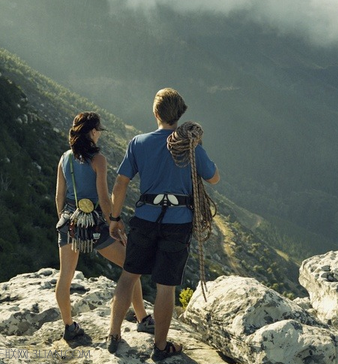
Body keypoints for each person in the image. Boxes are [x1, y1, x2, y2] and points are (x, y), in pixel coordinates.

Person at [106, 88, 219, 360]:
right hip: (177, 222)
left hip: (145, 218)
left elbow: (121, 183)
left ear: (155, 113)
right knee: (166, 285)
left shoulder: (138, 143)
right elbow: (213, 178)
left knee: (129, 275)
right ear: (179, 114)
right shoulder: (189, 146)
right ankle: (160, 347)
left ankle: (113, 335)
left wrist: (114, 217)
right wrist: (198, 146)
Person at [55, 112, 155, 341]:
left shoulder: (64, 158)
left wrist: (65, 221)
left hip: (69, 222)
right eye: (99, 130)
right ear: (92, 132)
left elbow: (59, 196)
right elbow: (102, 196)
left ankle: (69, 327)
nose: (100, 134)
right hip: (95, 224)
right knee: (131, 265)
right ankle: (142, 319)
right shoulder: (98, 159)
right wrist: (114, 222)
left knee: (65, 277)